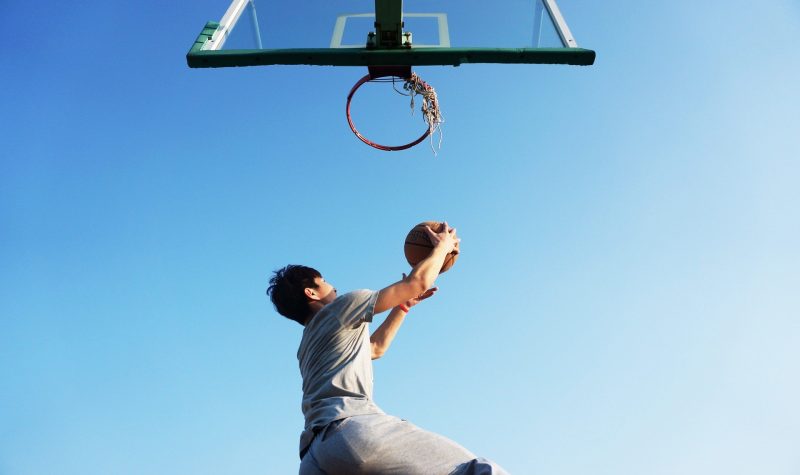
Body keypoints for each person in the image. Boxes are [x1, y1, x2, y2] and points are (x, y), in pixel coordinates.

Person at [267, 223, 508, 475]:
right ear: (311, 292)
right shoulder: (342, 307)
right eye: (324, 281)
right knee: (473, 470)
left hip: (314, 459)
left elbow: (374, 348)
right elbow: (419, 281)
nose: (334, 287)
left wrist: (402, 307)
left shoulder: (308, 345)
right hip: (352, 430)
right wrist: (442, 247)